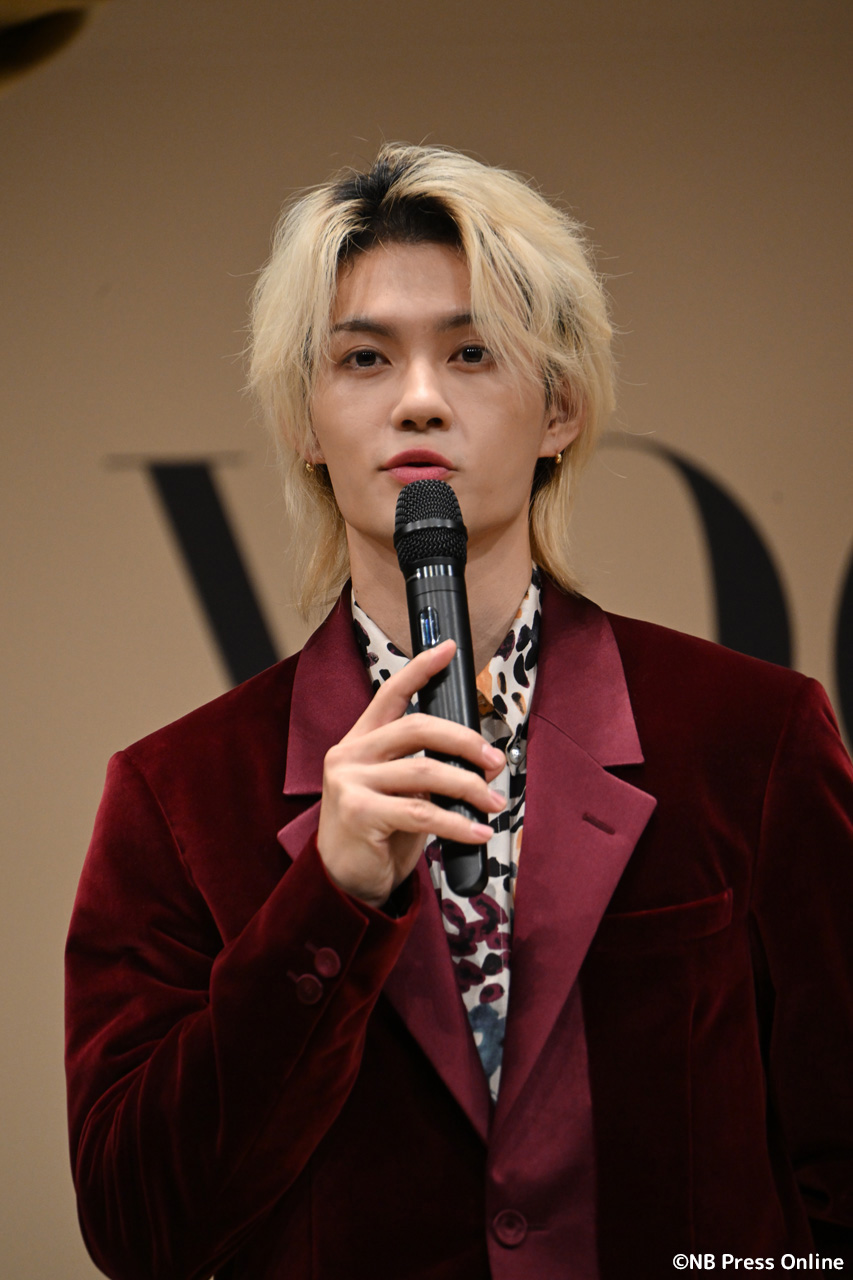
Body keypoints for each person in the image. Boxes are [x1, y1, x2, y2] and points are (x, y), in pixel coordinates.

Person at [65, 143, 853, 1280]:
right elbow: (137, 1228)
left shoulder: (750, 738)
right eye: (364, 358)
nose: (420, 398)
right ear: (305, 421)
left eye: (472, 352)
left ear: (559, 407)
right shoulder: (176, 795)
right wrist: (329, 895)